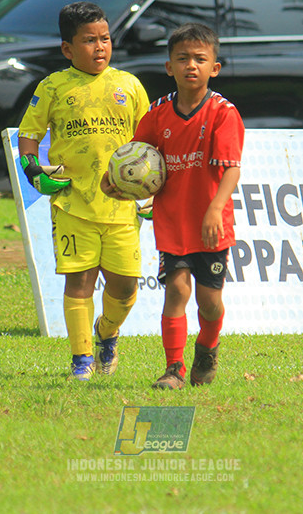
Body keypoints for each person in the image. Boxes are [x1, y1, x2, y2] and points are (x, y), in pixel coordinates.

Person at [102, 22, 244, 389]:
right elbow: (137, 159)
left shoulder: (223, 113)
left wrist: (215, 209)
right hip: (171, 221)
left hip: (210, 224)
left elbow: (231, 170)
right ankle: (174, 369)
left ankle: (207, 347)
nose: (191, 66)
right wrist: (117, 181)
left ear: (215, 67)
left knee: (210, 302)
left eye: (200, 59)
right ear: (169, 67)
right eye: (182, 59)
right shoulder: (158, 112)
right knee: (177, 290)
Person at [18, 1, 150, 382]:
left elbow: (151, 141)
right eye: (89, 41)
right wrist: (32, 169)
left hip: (122, 206)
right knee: (79, 281)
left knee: (125, 285)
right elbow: (29, 134)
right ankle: (81, 360)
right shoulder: (53, 87)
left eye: (105, 39)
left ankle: (107, 332)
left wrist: (154, 187)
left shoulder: (129, 85)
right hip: (73, 203)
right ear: (67, 49)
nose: (100, 47)